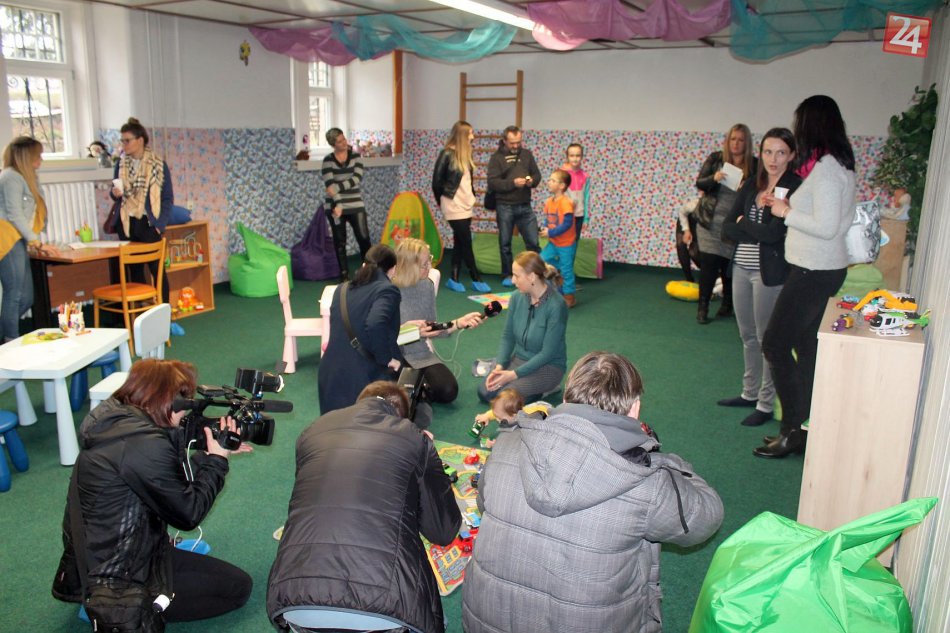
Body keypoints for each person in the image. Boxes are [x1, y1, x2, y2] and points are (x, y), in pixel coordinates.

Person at [462, 351, 724, 633]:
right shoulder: (646, 480)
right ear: (635, 410)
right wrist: (662, 458)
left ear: (565, 398)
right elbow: (706, 518)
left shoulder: (506, 443)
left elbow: (484, 504)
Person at [52, 359, 252, 630]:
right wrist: (217, 461)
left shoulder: (118, 420)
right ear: (167, 402)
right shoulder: (145, 446)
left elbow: (164, 476)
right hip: (120, 571)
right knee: (238, 588)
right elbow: (188, 513)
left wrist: (208, 447)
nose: (185, 412)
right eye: (183, 403)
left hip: (98, 554)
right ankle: (114, 605)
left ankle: (98, 597)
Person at [267, 381, 461, 633]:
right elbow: (443, 531)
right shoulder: (413, 437)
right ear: (400, 415)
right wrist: (427, 459)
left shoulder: (312, 430)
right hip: (387, 609)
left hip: (294, 602)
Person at [756, 96, 856, 458]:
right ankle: (805, 427)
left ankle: (792, 430)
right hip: (821, 268)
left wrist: (785, 211)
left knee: (775, 344)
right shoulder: (840, 164)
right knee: (806, 347)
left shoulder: (828, 168)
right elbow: (838, 222)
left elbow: (827, 227)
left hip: (814, 271)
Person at [720, 128, 802, 428]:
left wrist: (746, 224)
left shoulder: (794, 187)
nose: (773, 159)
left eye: (781, 152)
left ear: (791, 155)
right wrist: (749, 227)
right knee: (747, 335)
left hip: (770, 273)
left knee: (768, 340)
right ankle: (749, 392)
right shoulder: (752, 182)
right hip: (741, 267)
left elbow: (773, 235)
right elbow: (727, 227)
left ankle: (765, 404)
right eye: (768, 151)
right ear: (761, 153)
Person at [392, 238, 485, 406]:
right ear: (409, 266)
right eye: (424, 264)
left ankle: (417, 392)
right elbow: (385, 338)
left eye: (430, 260)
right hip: (393, 356)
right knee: (403, 392)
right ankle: (415, 392)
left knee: (448, 390)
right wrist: (414, 333)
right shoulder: (388, 291)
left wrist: (458, 323)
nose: (430, 267)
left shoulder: (426, 285)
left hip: (419, 354)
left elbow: (432, 328)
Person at [318, 244, 402, 414]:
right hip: (363, 375)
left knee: (332, 425)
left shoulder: (341, 289)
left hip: (330, 372)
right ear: (393, 270)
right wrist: (386, 359)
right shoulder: (388, 290)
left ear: (364, 265)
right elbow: (375, 323)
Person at [478, 251, 567, 403]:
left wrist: (513, 375)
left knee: (505, 399)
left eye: (516, 276)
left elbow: (547, 353)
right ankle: (520, 387)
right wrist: (500, 366)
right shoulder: (516, 297)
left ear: (531, 277)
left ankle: (547, 389)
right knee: (484, 392)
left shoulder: (557, 305)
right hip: (519, 360)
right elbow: (508, 336)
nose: (513, 280)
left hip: (548, 367)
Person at [693, 123, 756, 324]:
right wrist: (714, 178)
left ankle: (727, 305)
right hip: (710, 221)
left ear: (747, 143)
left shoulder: (754, 165)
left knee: (729, 266)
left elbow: (761, 192)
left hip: (734, 225)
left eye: (740, 140)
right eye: (733, 139)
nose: (736, 144)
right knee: (709, 265)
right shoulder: (715, 159)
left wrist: (748, 187)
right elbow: (700, 183)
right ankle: (702, 308)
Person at [109, 117, 174, 302]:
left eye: (127, 140)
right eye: (122, 141)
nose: (124, 145)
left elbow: (167, 198)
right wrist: (114, 193)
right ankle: (141, 314)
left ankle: (164, 314)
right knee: (135, 272)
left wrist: (159, 226)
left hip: (148, 224)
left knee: (157, 271)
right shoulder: (121, 164)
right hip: (127, 223)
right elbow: (115, 194)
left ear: (140, 140)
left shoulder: (157, 164)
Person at [0, 136, 57, 343]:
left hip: (18, 238)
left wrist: (33, 239)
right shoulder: (10, 177)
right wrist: (36, 242)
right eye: (37, 155)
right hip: (7, 238)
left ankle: (5, 336)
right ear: (26, 157)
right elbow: (15, 215)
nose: (40, 159)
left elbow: (33, 212)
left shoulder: (26, 176)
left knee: (26, 297)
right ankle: (11, 341)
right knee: (15, 294)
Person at [431, 120, 491, 293]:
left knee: (459, 240)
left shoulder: (465, 154)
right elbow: (436, 182)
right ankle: (475, 277)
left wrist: (471, 196)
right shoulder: (446, 154)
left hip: (466, 204)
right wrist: (443, 202)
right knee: (466, 241)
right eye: (470, 133)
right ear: (462, 135)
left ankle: (454, 278)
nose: (473, 136)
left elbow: (467, 182)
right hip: (452, 204)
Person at [486, 125, 542, 287]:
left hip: (525, 205)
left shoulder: (527, 154)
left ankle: (535, 273)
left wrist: (531, 181)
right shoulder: (496, 158)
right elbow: (493, 182)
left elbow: (537, 175)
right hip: (504, 206)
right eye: (512, 143)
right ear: (504, 141)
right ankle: (507, 274)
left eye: (518, 142)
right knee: (505, 244)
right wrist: (513, 183)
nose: (516, 146)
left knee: (533, 243)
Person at [322, 127, 371, 280]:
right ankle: (344, 276)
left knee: (364, 238)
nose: (344, 143)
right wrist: (338, 204)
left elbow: (356, 178)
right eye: (339, 142)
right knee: (340, 242)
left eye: (343, 139)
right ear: (333, 145)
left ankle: (368, 271)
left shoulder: (356, 156)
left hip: (355, 204)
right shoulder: (328, 161)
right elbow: (329, 185)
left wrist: (337, 187)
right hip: (335, 206)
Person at [540, 169, 577, 307]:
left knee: (567, 270)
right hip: (553, 242)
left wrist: (551, 232)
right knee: (541, 261)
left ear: (561, 186)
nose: (549, 182)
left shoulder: (566, 202)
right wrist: (545, 228)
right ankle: (559, 277)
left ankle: (569, 296)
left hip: (566, 244)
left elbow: (567, 224)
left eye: (553, 180)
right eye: (549, 179)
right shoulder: (549, 201)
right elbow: (548, 219)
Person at [561, 142, 591, 237]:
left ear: (582, 156)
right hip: (564, 214)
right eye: (572, 155)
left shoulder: (585, 176)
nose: (575, 158)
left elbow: (586, 198)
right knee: (563, 241)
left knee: (575, 240)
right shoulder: (562, 174)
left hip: (579, 215)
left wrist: (586, 218)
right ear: (567, 156)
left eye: (578, 155)